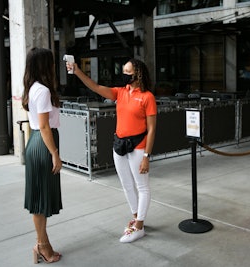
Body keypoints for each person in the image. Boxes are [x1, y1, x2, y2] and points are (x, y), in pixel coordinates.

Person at [67, 58, 157, 243]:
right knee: (126, 184)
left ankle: (139, 227)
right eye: (123, 70)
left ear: (138, 74)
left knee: (142, 186)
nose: (123, 75)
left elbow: (152, 129)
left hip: (138, 145)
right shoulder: (120, 92)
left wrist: (146, 156)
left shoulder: (147, 97)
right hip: (119, 144)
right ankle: (136, 218)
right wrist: (77, 71)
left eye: (127, 72)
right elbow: (95, 87)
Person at [22, 47, 63, 264]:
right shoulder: (43, 91)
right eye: (51, 62)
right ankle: (42, 246)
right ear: (44, 65)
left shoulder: (32, 88)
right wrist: (55, 154)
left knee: (40, 198)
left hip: (36, 143)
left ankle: (42, 244)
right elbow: (45, 127)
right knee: (40, 201)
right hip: (44, 144)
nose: (53, 66)